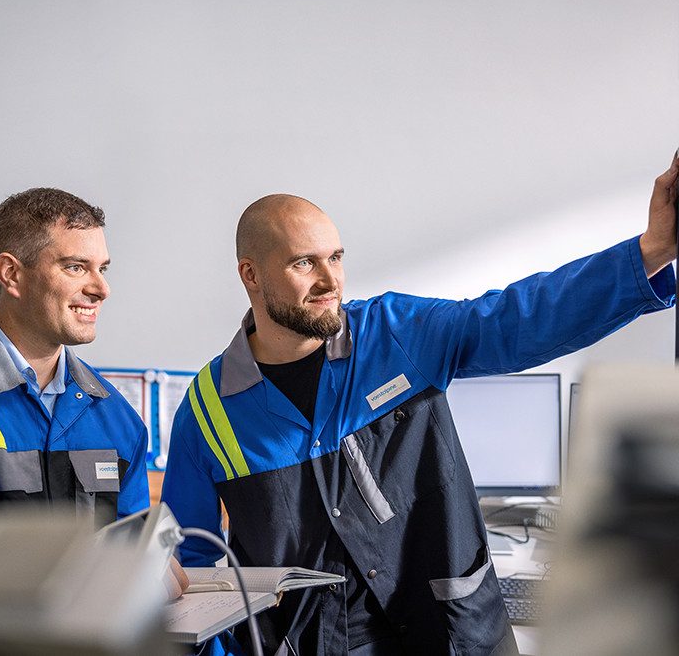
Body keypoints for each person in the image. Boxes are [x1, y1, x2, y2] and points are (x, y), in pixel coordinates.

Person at [162, 152, 679, 655]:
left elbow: (523, 317)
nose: (330, 281)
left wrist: (652, 250)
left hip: (452, 631)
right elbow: (195, 565)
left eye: (336, 258)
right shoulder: (209, 411)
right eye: (304, 263)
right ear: (250, 275)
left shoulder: (397, 336)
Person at [0, 187, 150, 527]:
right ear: (11, 274)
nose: (101, 289)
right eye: (76, 267)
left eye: (103, 269)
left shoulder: (117, 418)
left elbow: (134, 552)